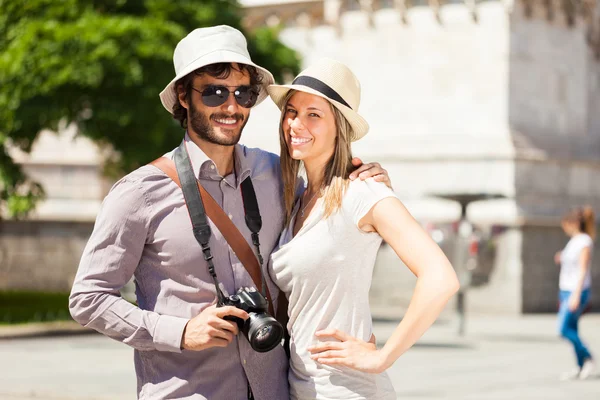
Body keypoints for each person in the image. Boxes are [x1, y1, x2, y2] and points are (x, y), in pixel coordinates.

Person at [68, 26, 390, 399]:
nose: (232, 106)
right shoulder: (138, 193)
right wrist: (181, 333)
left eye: (244, 93)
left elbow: (330, 235)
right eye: (215, 92)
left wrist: (364, 180)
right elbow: (88, 298)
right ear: (184, 97)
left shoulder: (278, 175)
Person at [267, 59, 460, 399]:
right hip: (300, 387)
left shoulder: (363, 192)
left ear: (339, 127)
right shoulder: (297, 200)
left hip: (347, 390)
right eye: (292, 111)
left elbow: (441, 278)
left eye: (314, 114)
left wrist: (383, 357)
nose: (296, 123)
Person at [554, 206, 596, 380]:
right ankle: (580, 366)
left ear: (574, 223)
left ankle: (588, 357)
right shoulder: (573, 241)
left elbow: (583, 269)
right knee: (573, 328)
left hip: (576, 291)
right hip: (565, 290)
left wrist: (576, 295)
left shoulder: (584, 241)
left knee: (563, 329)